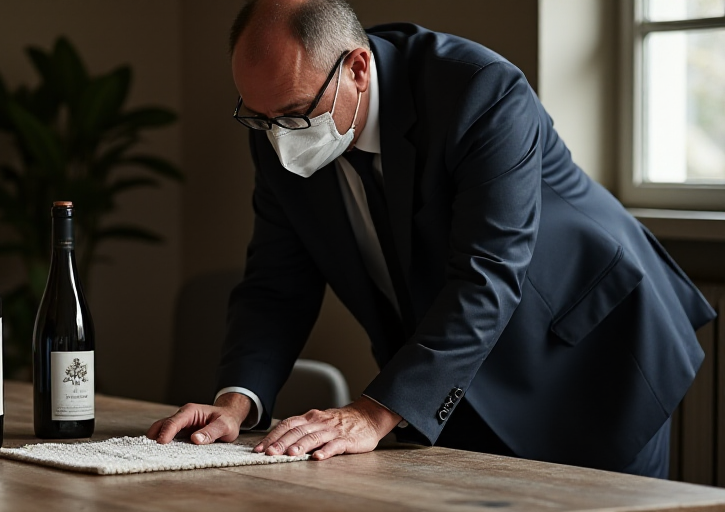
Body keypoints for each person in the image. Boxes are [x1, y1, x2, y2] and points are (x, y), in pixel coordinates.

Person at [146, 0, 715, 478]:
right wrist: (235, 404)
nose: (279, 138)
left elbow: (487, 273)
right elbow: (276, 285)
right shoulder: (277, 125)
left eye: (296, 114)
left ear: (358, 69)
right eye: (259, 118)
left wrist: (371, 414)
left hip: (590, 357)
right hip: (450, 380)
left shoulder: (478, 90)